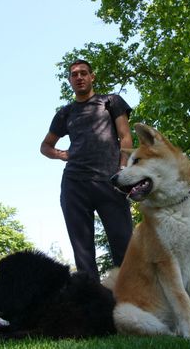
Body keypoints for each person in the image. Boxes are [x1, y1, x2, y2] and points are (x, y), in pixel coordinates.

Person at [40, 59, 133, 281]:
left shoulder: (110, 102)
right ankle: (92, 309)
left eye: (83, 73)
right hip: (75, 185)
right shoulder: (66, 113)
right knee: (83, 255)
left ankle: (136, 304)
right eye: (74, 74)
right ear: (70, 81)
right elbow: (45, 147)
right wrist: (64, 154)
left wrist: (122, 170)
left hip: (110, 182)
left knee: (125, 247)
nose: (79, 77)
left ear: (92, 77)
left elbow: (126, 136)